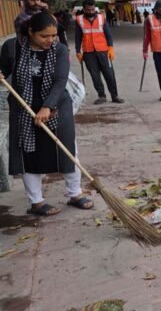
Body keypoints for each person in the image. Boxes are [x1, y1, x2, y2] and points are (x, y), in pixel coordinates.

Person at [0, 12, 94, 216]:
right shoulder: (12, 47)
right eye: (44, 36)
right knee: (28, 154)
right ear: (30, 31)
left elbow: (60, 81)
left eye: (53, 35)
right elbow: (4, 70)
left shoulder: (59, 49)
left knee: (68, 150)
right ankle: (36, 202)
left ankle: (75, 193)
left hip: (57, 107)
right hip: (23, 109)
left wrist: (48, 107)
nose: (50, 40)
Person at [75, 0, 124, 104]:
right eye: (88, 10)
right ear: (84, 9)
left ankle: (114, 96)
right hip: (88, 52)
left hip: (103, 51)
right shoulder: (79, 20)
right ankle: (101, 95)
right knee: (95, 75)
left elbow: (108, 35)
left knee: (109, 74)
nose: (91, 12)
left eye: (92, 9)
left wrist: (111, 48)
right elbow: (78, 37)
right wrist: (78, 51)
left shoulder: (102, 18)